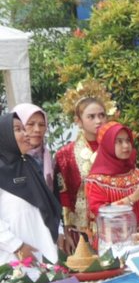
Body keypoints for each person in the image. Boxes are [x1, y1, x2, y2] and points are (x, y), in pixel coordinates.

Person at [84, 122, 139, 238]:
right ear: (108, 145)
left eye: (128, 140)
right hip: (114, 242)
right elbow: (100, 213)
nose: (126, 146)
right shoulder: (95, 182)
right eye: (119, 141)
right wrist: (133, 197)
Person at [1, 111, 61, 262]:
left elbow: (47, 202)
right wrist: (17, 246)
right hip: (13, 256)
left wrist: (58, 231)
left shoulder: (30, 164)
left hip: (44, 247)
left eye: (24, 128)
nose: (26, 134)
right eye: (18, 129)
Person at [54, 91, 110, 236]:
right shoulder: (65, 154)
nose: (98, 121)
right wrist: (67, 226)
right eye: (91, 117)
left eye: (102, 115)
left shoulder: (116, 147)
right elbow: (63, 193)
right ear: (78, 121)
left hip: (114, 219)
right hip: (81, 227)